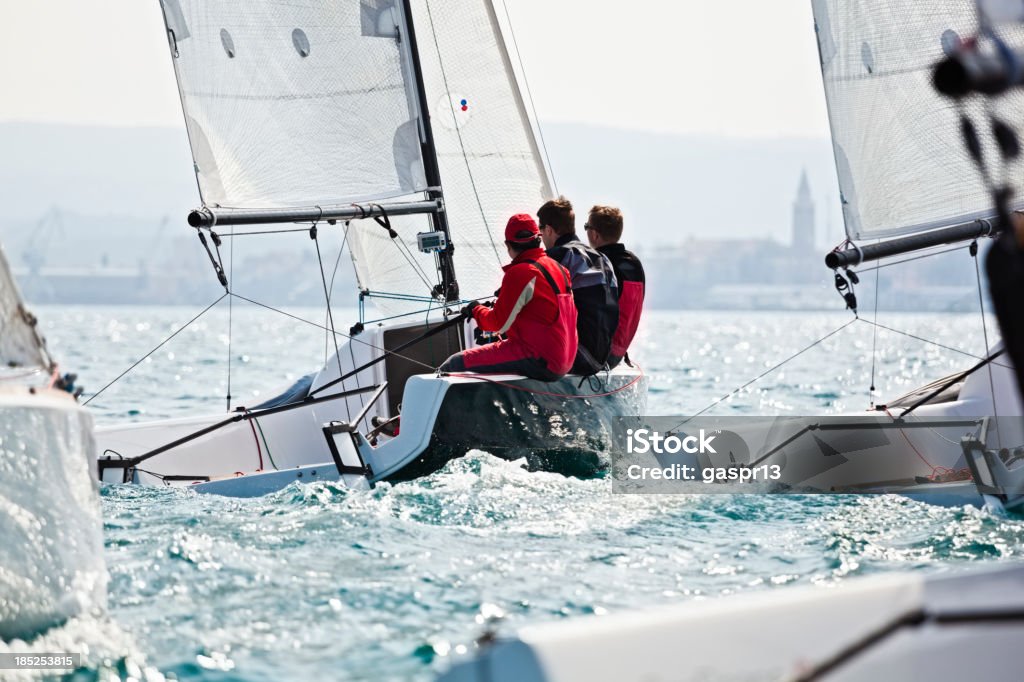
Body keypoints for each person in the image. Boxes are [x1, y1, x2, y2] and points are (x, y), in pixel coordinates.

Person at [438, 214, 578, 381]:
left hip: (541, 359)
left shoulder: (521, 272)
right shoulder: (559, 268)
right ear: (538, 239)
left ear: (507, 245)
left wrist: (476, 309)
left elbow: (497, 324)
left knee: (453, 365)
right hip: (567, 359)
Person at [537, 196, 619, 375]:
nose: (539, 236)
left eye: (540, 229)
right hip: (601, 358)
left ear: (549, 230)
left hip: (578, 357)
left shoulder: (557, 257)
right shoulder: (602, 258)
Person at [585, 205, 645, 368]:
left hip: (600, 356)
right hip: (617, 354)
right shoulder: (634, 263)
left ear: (595, 234)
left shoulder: (599, 264)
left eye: (586, 227)